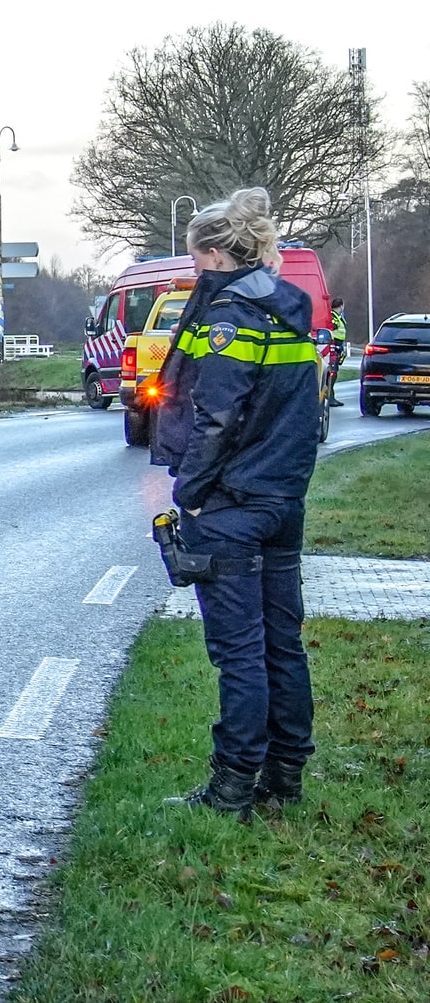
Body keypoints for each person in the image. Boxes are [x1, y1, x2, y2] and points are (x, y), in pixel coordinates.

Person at [153, 188, 322, 817]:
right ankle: (285, 778)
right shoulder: (291, 310)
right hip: (283, 497)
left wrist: (190, 493)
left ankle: (231, 790)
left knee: (240, 652)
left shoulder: (229, 319)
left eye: (196, 263)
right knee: (284, 643)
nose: (195, 274)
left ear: (218, 257)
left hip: (232, 503)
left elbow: (215, 416)